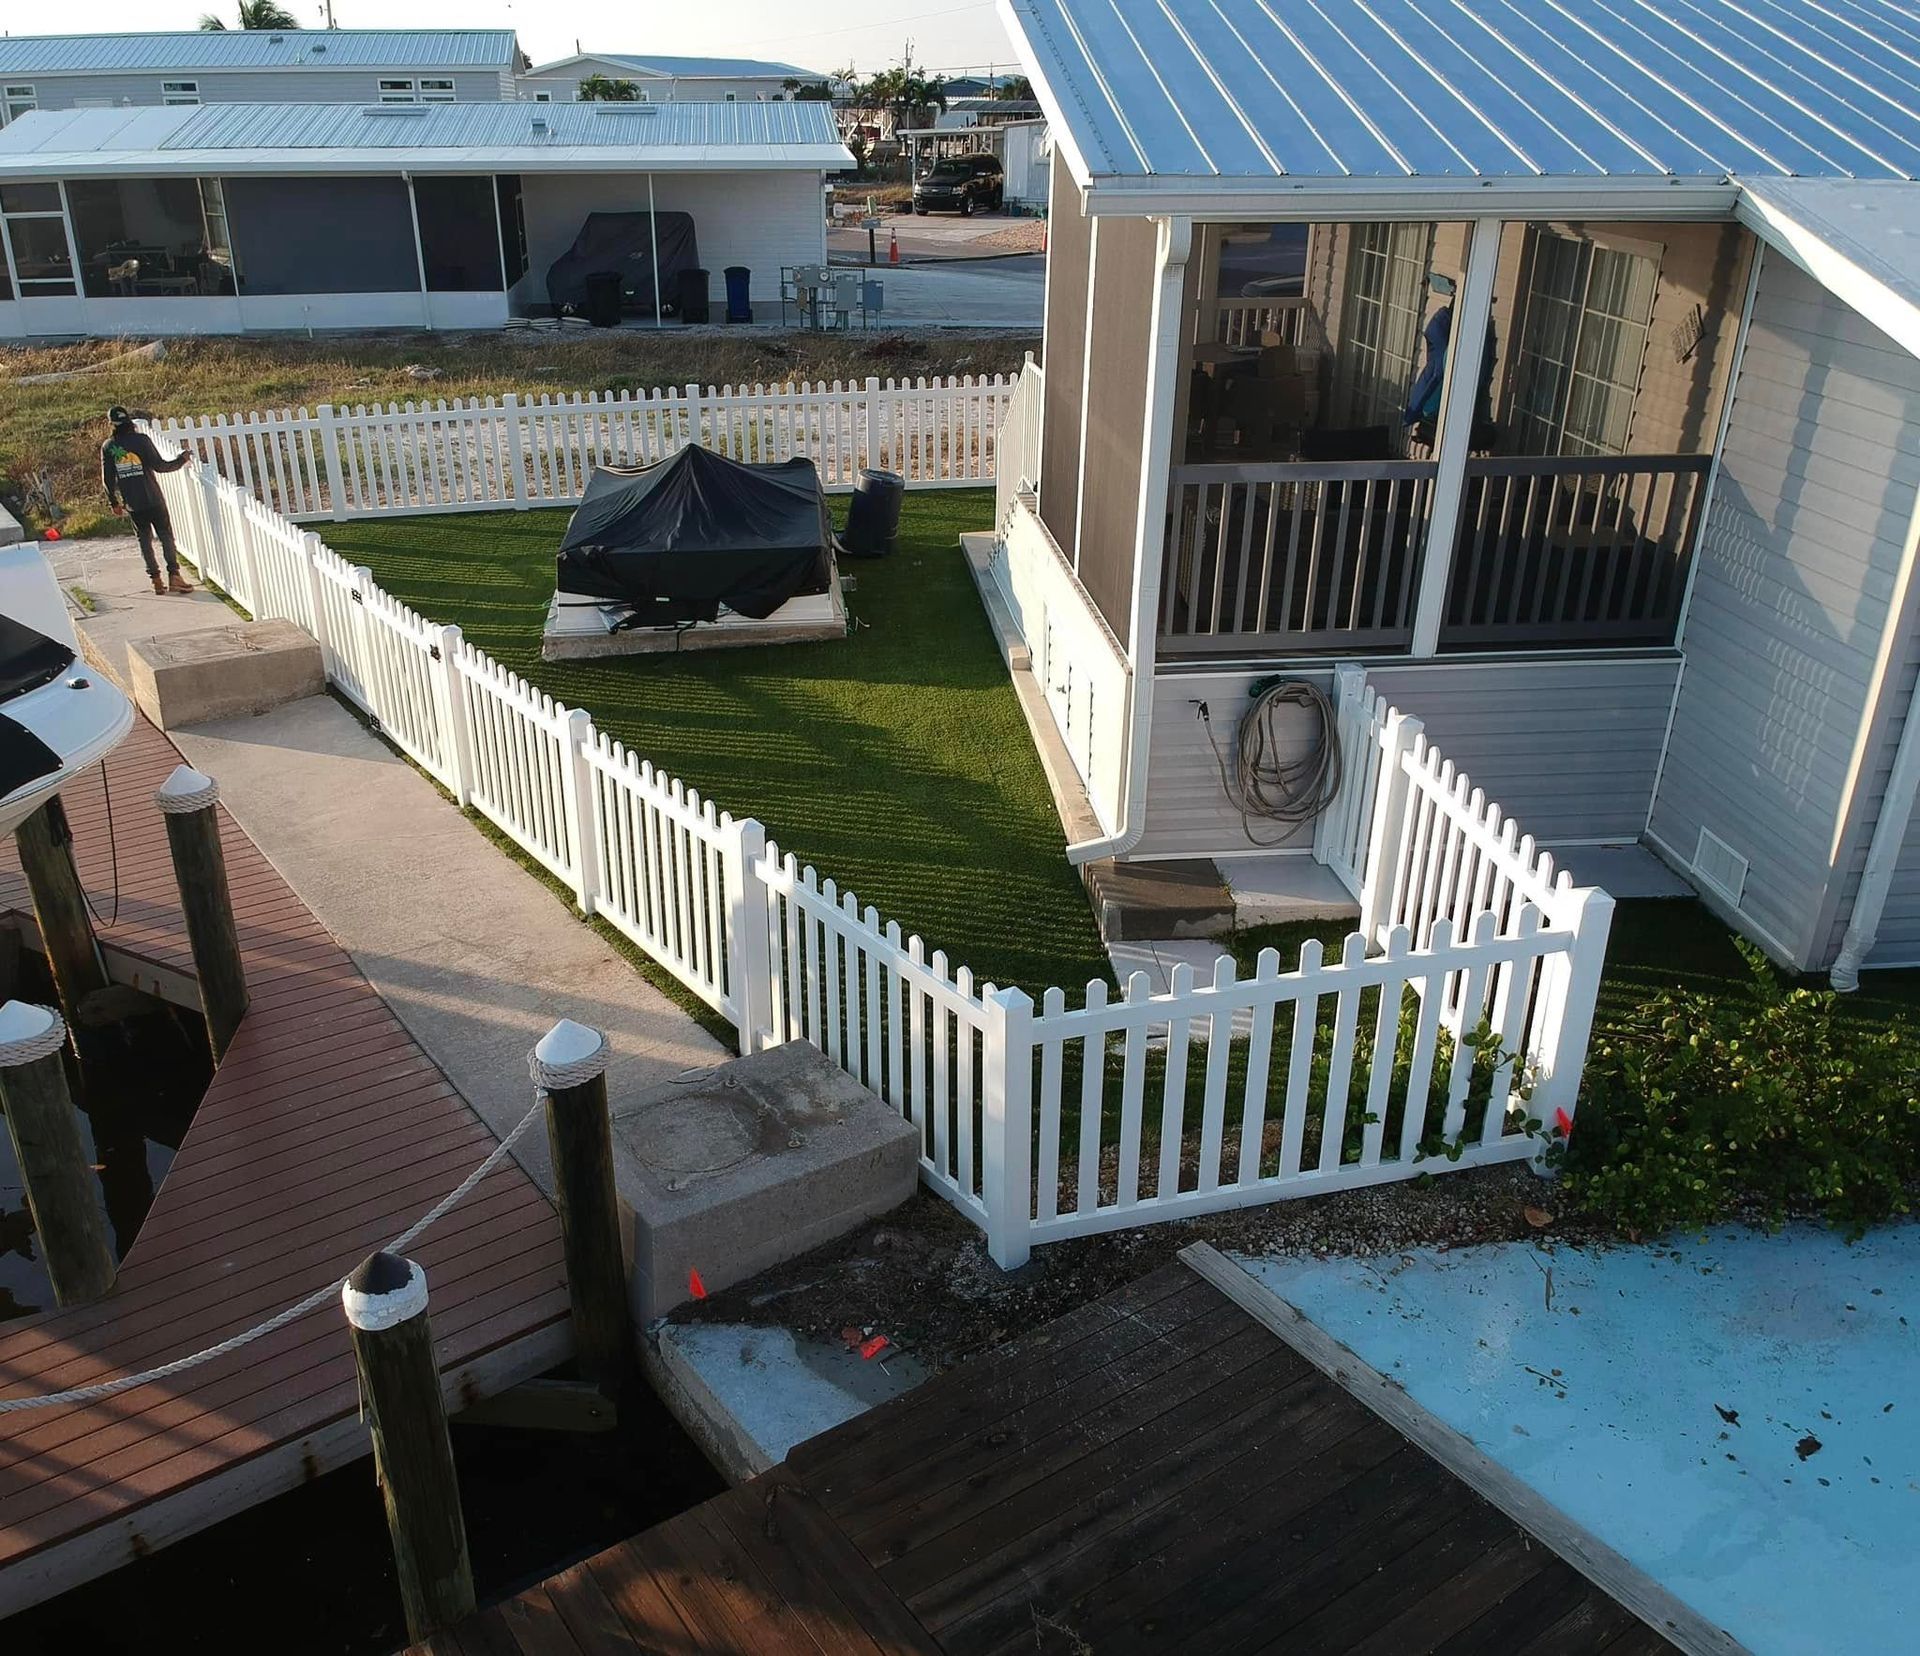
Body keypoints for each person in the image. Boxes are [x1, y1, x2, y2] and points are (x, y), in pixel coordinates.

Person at [100, 406, 194, 595]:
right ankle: (174, 576)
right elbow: (160, 466)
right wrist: (181, 460)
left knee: (144, 540)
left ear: (112, 424)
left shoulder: (109, 447)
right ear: (129, 421)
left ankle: (156, 580)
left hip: (133, 504)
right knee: (166, 536)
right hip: (153, 498)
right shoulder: (141, 441)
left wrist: (114, 502)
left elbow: (107, 479)